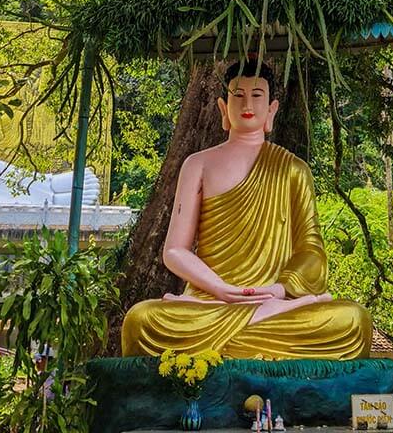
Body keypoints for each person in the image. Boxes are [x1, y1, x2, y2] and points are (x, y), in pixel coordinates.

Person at [121, 59, 372, 359]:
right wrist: (221, 289)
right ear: (223, 108)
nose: (247, 103)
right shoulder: (197, 165)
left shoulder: (293, 169)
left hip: (273, 303)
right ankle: (253, 328)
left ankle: (252, 325)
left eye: (257, 95)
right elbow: (175, 250)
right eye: (237, 95)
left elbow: (311, 251)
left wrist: (279, 290)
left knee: (354, 321)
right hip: (211, 304)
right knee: (140, 321)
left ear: (272, 109)